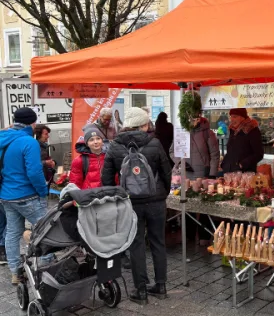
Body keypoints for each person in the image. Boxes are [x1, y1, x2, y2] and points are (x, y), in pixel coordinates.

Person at [101, 106, 172, 303]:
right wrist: (163, 193)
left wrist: (116, 198)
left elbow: (106, 178)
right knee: (158, 242)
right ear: (143, 125)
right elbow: (167, 171)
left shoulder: (115, 146)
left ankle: (140, 291)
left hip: (130, 202)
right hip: (156, 201)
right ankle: (161, 285)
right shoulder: (155, 143)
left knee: (136, 244)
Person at [0, 106, 48, 285]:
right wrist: (43, 191)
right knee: (46, 230)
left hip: (6, 195)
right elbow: (34, 172)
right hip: (27, 195)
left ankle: (15, 272)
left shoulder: (2, 137)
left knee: (12, 232)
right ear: (33, 122)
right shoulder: (29, 142)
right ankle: (46, 267)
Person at [173, 111, 219, 181]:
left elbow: (215, 155)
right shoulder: (182, 132)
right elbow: (172, 151)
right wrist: (179, 162)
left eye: (194, 119)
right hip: (184, 174)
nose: (191, 121)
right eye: (189, 118)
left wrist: (212, 174)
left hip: (202, 175)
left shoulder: (208, 133)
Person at [221, 108, 264, 174]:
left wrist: (242, 164)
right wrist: (224, 163)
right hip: (229, 171)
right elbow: (231, 151)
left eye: (235, 117)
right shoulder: (233, 130)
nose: (231, 119)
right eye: (231, 117)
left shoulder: (252, 130)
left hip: (245, 173)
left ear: (242, 117)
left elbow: (259, 154)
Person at [69, 124, 107, 190]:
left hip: (108, 195)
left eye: (98, 138)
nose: (95, 142)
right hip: (89, 197)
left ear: (102, 140)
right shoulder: (79, 161)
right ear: (87, 144)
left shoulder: (109, 157)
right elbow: (75, 184)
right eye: (91, 140)